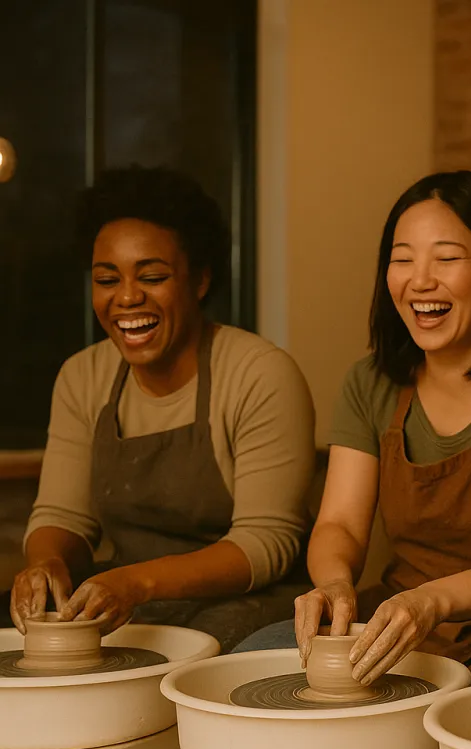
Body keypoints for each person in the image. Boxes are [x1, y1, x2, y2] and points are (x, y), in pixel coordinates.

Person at [234, 171, 471, 684]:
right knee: (248, 661)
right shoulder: (370, 381)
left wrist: (434, 600)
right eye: (402, 259)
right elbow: (339, 523)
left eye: (446, 258)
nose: (420, 280)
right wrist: (336, 584)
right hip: (398, 617)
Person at [9, 165, 316, 652]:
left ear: (199, 281)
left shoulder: (260, 373)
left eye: (152, 276)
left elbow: (267, 543)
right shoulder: (81, 376)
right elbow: (62, 516)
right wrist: (47, 564)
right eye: (107, 279)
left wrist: (137, 583)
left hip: (248, 603)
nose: (127, 297)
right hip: (131, 598)